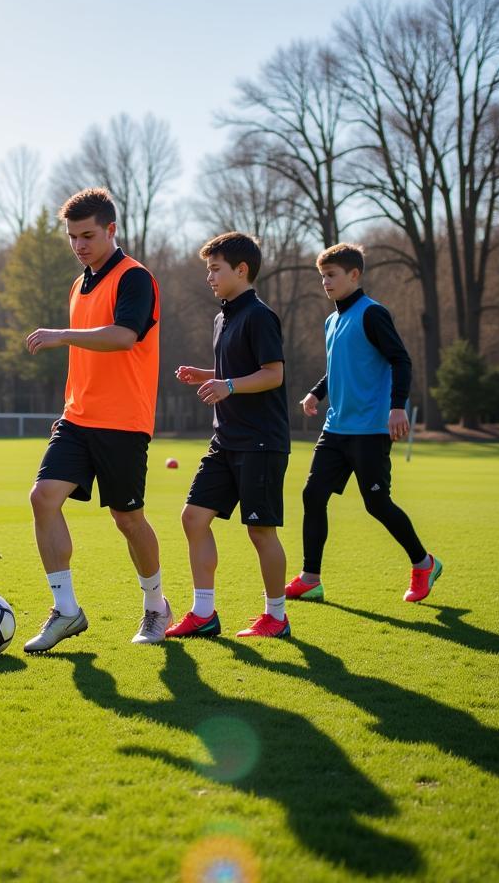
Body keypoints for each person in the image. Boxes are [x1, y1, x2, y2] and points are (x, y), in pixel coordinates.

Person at [23, 187, 169, 652]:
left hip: (124, 422)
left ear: (111, 229)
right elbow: (84, 363)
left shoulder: (135, 278)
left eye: (88, 235)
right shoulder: (77, 284)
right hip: (77, 418)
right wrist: (67, 407)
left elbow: (124, 337)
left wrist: (62, 334)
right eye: (72, 237)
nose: (80, 245)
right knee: (43, 498)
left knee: (128, 520)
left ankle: (155, 607)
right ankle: (66, 611)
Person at [285, 242, 441, 604]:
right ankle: (311, 578)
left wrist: (397, 407)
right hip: (335, 428)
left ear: (354, 275)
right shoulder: (331, 320)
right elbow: (339, 366)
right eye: (322, 276)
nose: (325, 282)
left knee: (377, 504)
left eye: (332, 275)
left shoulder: (373, 314)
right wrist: (315, 393)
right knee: (313, 495)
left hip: (370, 430)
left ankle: (424, 563)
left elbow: (401, 360)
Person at [166, 232, 292, 641]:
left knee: (260, 531)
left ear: (242, 270)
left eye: (215, 269)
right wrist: (207, 376)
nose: (209, 277)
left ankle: (277, 617)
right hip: (225, 441)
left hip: (261, 441)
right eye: (208, 269)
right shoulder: (223, 317)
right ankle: (204, 614)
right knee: (193, 518)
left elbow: (273, 374)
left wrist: (229, 386)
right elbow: (235, 369)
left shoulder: (260, 315)